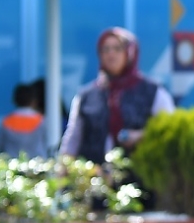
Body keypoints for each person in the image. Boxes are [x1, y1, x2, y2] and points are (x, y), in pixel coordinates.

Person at [60, 27, 175, 162]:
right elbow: (73, 139)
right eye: (105, 49)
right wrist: (64, 165)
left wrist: (140, 135)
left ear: (130, 52)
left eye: (117, 48)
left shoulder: (153, 92)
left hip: (140, 171)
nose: (111, 54)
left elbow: (169, 130)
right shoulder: (86, 95)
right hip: (94, 173)